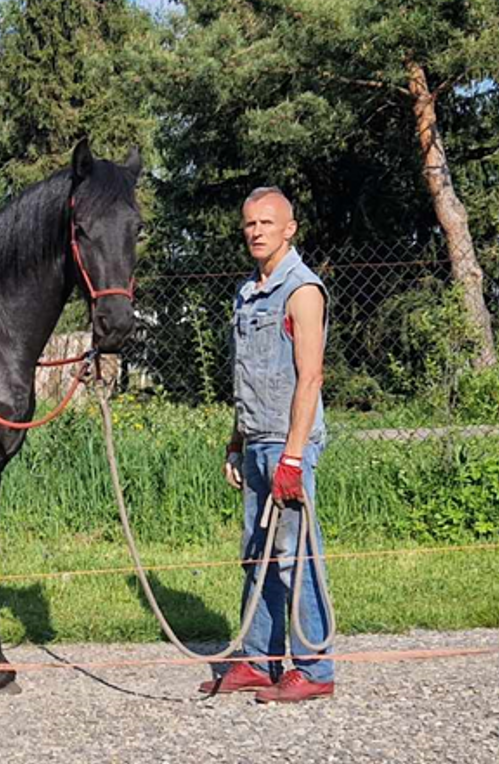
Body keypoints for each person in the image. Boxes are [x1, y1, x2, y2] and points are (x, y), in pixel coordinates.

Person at [199, 186, 335, 703]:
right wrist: (236, 443)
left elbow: (311, 377)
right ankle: (257, 660)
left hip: (287, 442)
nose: (256, 231)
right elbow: (246, 375)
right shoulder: (247, 292)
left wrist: (294, 458)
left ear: (289, 229)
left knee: (295, 555)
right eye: (250, 224)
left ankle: (315, 669)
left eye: (266, 223)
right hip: (255, 438)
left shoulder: (302, 291)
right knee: (256, 554)